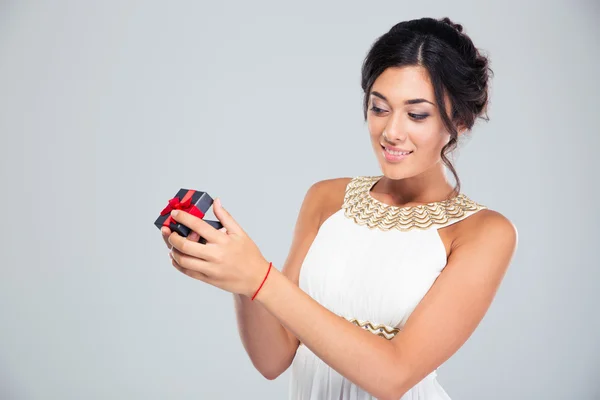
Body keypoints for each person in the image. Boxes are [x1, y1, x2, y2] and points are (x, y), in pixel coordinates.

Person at [161, 16, 518, 400]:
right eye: (379, 108)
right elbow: (273, 360)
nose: (391, 131)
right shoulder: (326, 199)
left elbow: (393, 376)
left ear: (461, 120)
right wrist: (241, 281)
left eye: (416, 114)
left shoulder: (484, 233)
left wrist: (261, 277)